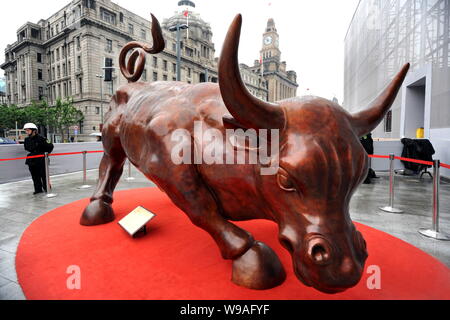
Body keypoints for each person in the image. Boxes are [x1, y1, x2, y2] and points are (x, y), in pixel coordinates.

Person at [23, 123, 54, 195]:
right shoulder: (27, 139)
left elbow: (50, 146)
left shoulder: (42, 138)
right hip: (31, 160)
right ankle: (38, 189)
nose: (27, 132)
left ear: (34, 131)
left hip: (41, 159)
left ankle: (46, 188)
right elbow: (27, 148)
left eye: (28, 130)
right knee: (34, 175)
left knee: (44, 175)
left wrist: (45, 154)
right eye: (26, 130)